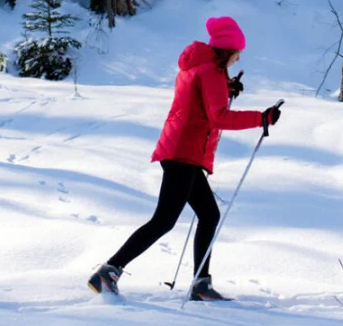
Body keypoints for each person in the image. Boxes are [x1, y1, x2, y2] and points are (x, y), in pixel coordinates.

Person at [87, 16, 282, 300]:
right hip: (183, 154)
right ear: (228, 50)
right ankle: (110, 270)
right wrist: (261, 118)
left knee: (208, 214)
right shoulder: (211, 72)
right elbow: (219, 117)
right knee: (164, 220)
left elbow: (199, 100)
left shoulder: (198, 68)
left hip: (181, 151)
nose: (238, 59)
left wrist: (227, 89)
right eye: (237, 53)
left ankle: (201, 284)